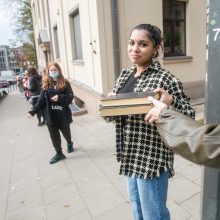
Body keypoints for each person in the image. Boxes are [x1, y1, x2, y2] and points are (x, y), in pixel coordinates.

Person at [103, 23, 195, 220]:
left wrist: (169, 105)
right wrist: (109, 105)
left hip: (151, 157)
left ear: (155, 48)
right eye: (131, 43)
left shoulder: (166, 78)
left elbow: (190, 116)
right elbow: (114, 115)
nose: (135, 49)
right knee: (137, 209)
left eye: (143, 44)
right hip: (129, 154)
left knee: (154, 214)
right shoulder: (124, 75)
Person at [145, 88, 220, 169]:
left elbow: (209, 145)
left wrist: (165, 114)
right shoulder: (129, 76)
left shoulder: (167, 79)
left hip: (153, 158)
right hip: (132, 155)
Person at [27, 62, 74, 164]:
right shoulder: (46, 85)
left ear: (59, 71)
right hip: (50, 115)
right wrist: (32, 111)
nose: (53, 72)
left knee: (66, 133)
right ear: (48, 72)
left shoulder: (65, 83)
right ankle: (59, 153)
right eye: (51, 70)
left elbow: (70, 97)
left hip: (63, 115)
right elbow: (40, 101)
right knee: (54, 136)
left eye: (55, 70)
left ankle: (69, 143)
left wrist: (60, 97)